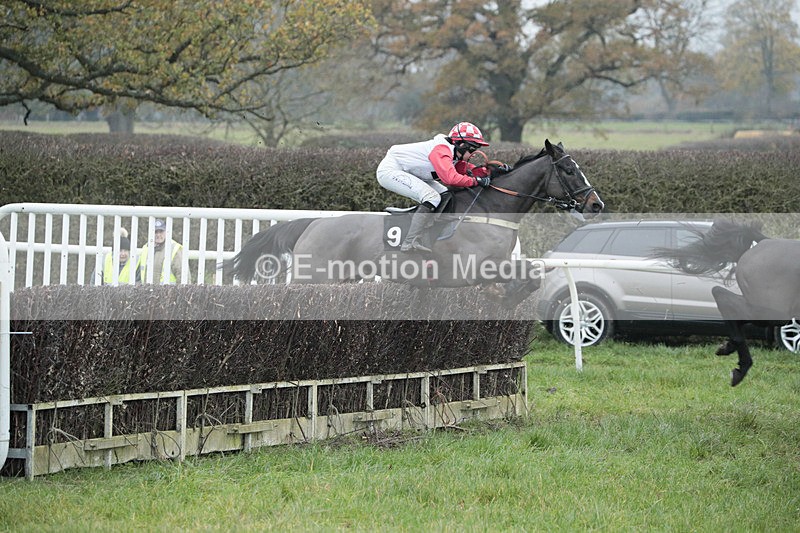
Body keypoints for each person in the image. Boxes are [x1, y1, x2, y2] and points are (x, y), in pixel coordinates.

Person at [376, 121, 509, 252]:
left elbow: (467, 171)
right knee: (432, 197)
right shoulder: (441, 150)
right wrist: (477, 181)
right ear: (461, 144)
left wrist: (492, 171)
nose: (472, 155)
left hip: (410, 172)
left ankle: (428, 235)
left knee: (445, 195)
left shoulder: (454, 153)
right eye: (472, 150)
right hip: (391, 171)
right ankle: (409, 242)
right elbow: (451, 178)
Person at [136, 219, 187, 284]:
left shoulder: (174, 248)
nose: (158, 235)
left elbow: (182, 275)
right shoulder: (146, 248)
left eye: (161, 231)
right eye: (156, 232)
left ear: (166, 232)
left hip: (169, 293)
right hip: (148, 292)